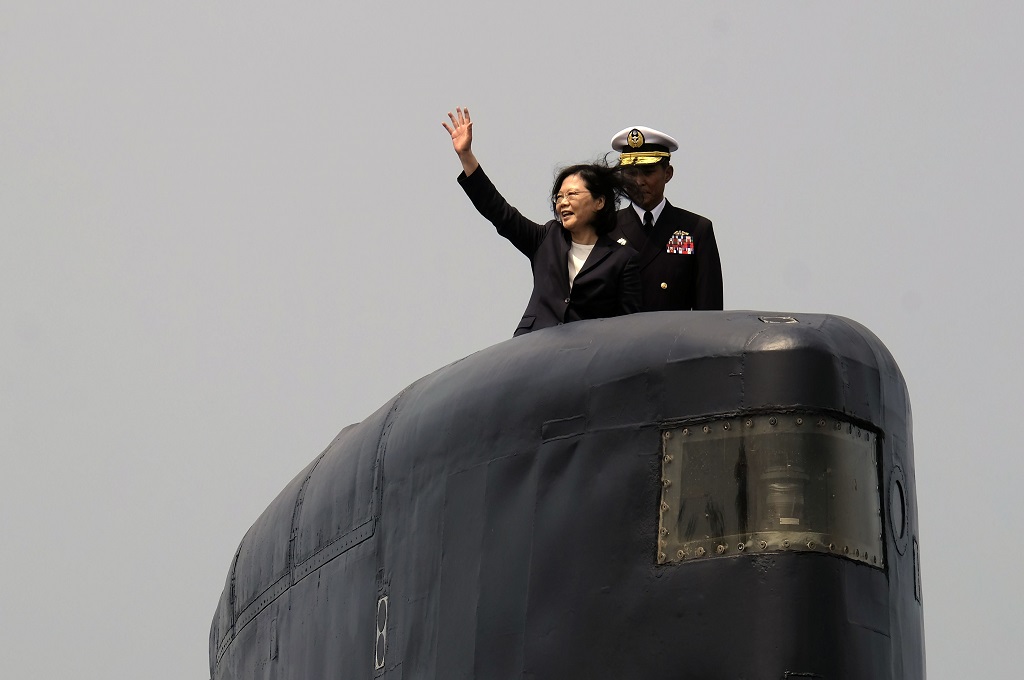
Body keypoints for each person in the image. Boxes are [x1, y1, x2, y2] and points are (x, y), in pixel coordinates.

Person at [444, 107, 641, 337]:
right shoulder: (547, 238)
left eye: (572, 195)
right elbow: (499, 212)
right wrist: (466, 155)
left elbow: (628, 327)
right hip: (535, 347)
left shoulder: (622, 259)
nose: (563, 203)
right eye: (559, 197)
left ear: (599, 202)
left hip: (586, 353)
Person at [608, 126, 723, 311]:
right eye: (630, 173)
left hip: (673, 330)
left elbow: (709, 309)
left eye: (648, 172)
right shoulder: (607, 227)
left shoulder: (696, 229)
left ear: (668, 173)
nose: (639, 181)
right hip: (621, 330)